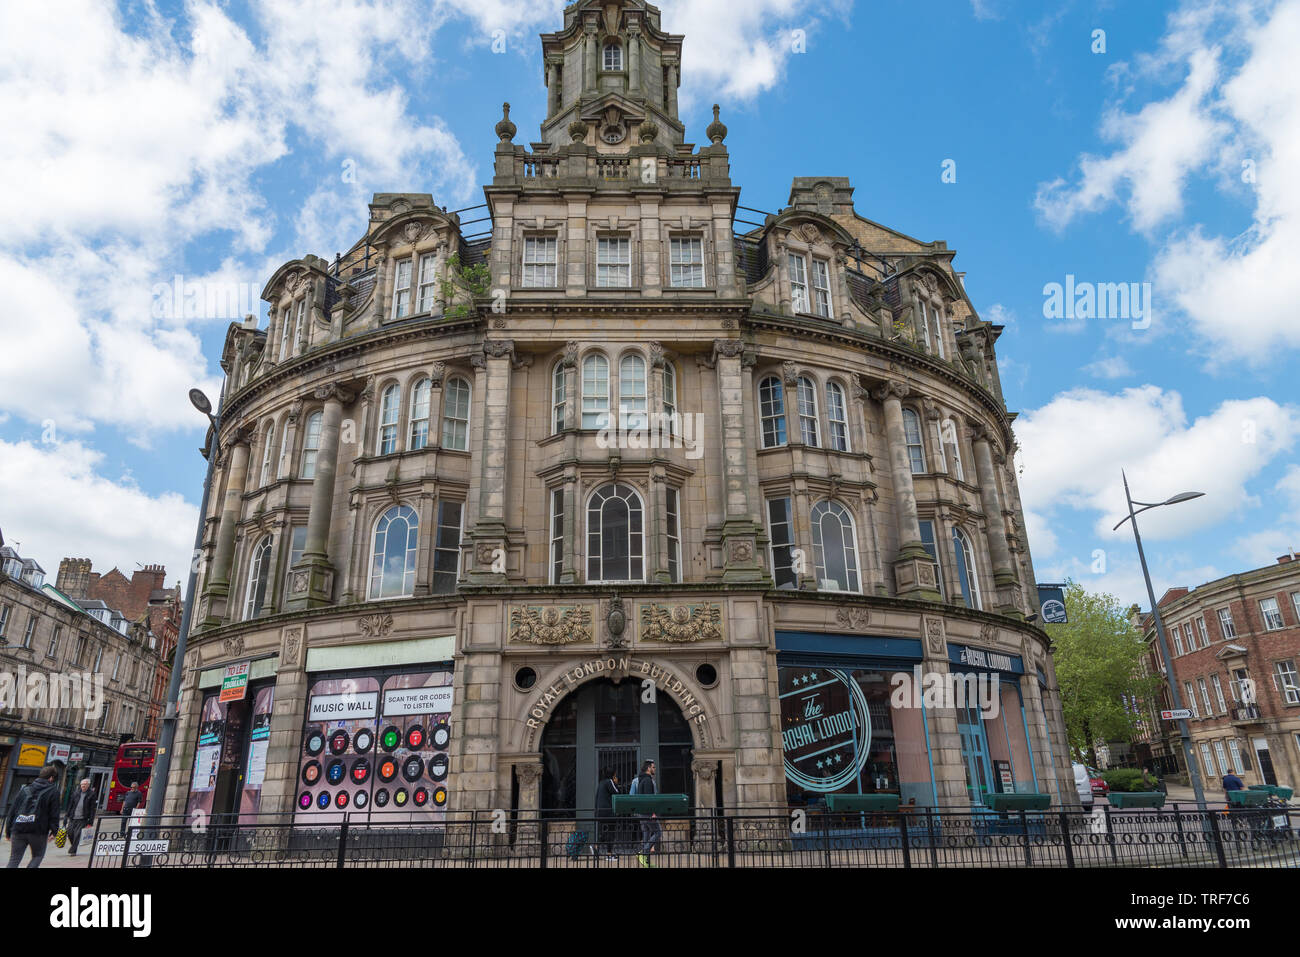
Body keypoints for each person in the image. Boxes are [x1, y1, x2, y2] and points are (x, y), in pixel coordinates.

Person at [5, 765, 62, 868]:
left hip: (18, 827)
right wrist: (54, 831)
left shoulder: (25, 789)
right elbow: (54, 814)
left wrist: (8, 831)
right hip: (38, 830)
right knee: (38, 856)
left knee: (14, 858)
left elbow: (13, 811)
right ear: (51, 778)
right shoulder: (53, 792)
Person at [633, 759, 661, 868]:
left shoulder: (641, 780)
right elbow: (649, 798)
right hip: (648, 812)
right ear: (648, 768)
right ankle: (643, 852)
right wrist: (653, 812)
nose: (654, 769)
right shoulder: (648, 780)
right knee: (658, 832)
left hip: (642, 813)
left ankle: (646, 863)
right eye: (653, 767)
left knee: (646, 836)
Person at [63, 778, 96, 856]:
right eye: (82, 784)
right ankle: (73, 846)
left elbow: (92, 809)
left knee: (77, 834)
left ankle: (73, 851)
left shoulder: (91, 794)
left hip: (83, 819)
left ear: (88, 785)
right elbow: (70, 805)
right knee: (70, 833)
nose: (83, 786)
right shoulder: (76, 793)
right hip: (73, 817)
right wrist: (66, 816)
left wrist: (90, 822)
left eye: (85, 784)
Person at [593, 768, 620, 860]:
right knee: (611, 831)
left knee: (607, 832)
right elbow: (616, 792)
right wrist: (616, 783)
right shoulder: (609, 781)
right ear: (613, 775)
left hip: (600, 812)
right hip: (608, 811)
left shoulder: (601, 783)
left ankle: (596, 846)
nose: (616, 777)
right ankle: (609, 854)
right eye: (615, 776)